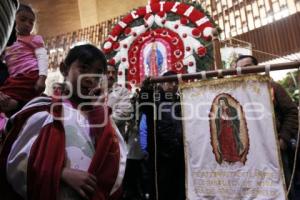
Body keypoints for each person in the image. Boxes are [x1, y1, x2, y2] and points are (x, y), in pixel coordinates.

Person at [0, 44, 126, 200]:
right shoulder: (44, 109)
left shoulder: (101, 118)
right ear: (64, 69)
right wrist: (60, 173)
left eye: (98, 73)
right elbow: (18, 160)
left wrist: (99, 113)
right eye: (84, 68)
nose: (90, 79)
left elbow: (116, 160)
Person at [235, 55, 298, 199]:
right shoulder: (236, 92)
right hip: (249, 152)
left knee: (281, 186)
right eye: (239, 69)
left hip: (273, 149)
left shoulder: (272, 87)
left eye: (247, 67)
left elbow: (292, 112)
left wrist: (283, 139)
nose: (243, 71)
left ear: (257, 67)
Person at [139, 71, 185, 200]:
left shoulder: (183, 100)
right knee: (162, 189)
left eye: (175, 82)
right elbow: (144, 105)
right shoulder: (154, 100)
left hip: (180, 153)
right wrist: (145, 89)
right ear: (162, 83)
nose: (172, 85)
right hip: (161, 155)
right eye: (169, 81)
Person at [0, 4, 48, 116]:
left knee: (24, 91)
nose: (27, 24)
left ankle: (15, 104)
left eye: (31, 22)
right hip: (16, 77)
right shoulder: (9, 46)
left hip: (30, 73)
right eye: (22, 20)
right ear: (14, 20)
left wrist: (42, 77)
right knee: (8, 89)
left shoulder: (34, 39)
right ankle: (14, 104)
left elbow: (42, 57)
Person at [216, 97, 244, 163]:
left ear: (225, 102)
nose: (221, 103)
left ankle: (233, 157)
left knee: (231, 141)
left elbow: (236, 120)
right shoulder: (219, 110)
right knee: (223, 142)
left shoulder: (231, 109)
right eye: (220, 102)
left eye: (222, 102)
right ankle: (225, 157)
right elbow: (217, 120)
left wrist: (229, 120)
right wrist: (220, 120)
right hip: (222, 129)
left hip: (230, 128)